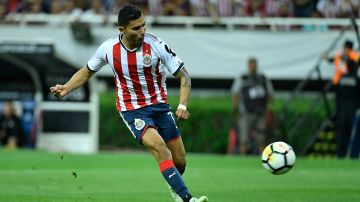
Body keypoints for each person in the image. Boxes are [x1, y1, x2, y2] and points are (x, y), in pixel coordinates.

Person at [50, 5, 208, 202]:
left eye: (143, 25)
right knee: (160, 148)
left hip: (159, 107)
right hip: (132, 110)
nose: (142, 31)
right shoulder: (108, 49)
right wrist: (66, 87)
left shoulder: (157, 45)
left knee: (180, 161)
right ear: (122, 30)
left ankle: (175, 188)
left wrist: (182, 105)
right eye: (136, 28)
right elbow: (87, 71)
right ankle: (187, 199)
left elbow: (184, 76)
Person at [231, 57, 274, 155]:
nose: (253, 67)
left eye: (254, 65)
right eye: (251, 65)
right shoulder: (243, 77)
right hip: (246, 112)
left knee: (261, 138)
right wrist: (235, 108)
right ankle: (243, 158)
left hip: (260, 112)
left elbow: (270, 94)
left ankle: (263, 158)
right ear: (248, 65)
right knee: (244, 137)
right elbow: (235, 93)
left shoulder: (262, 78)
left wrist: (270, 108)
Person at [335, 59, 360, 158]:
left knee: (341, 132)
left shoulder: (342, 78)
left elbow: (338, 94)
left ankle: (340, 153)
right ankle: (352, 154)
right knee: (353, 132)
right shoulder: (357, 79)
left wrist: (337, 108)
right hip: (353, 108)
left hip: (342, 108)